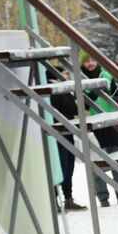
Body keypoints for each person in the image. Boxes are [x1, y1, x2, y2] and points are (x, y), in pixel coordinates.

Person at [79, 55, 118, 207]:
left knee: (116, 160)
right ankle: (103, 196)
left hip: (110, 121)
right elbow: (81, 100)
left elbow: (117, 96)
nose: (90, 63)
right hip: (92, 124)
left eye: (92, 60)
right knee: (97, 162)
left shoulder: (106, 75)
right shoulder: (79, 76)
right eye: (87, 61)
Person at [47, 65, 84, 211]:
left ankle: (68, 198)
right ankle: (55, 199)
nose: (66, 75)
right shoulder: (54, 90)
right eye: (64, 72)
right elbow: (69, 108)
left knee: (69, 167)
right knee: (60, 167)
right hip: (59, 134)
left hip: (68, 133)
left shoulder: (63, 88)